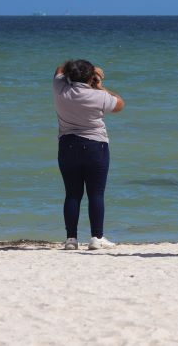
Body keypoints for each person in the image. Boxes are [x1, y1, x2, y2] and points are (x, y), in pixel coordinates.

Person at [53, 59, 125, 250]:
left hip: (68, 144)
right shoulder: (98, 96)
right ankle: (96, 237)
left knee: (72, 194)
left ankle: (71, 239)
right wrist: (100, 86)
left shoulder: (60, 89)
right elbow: (119, 104)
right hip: (95, 146)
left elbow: (59, 69)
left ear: (69, 74)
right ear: (91, 77)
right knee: (96, 194)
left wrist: (81, 70)